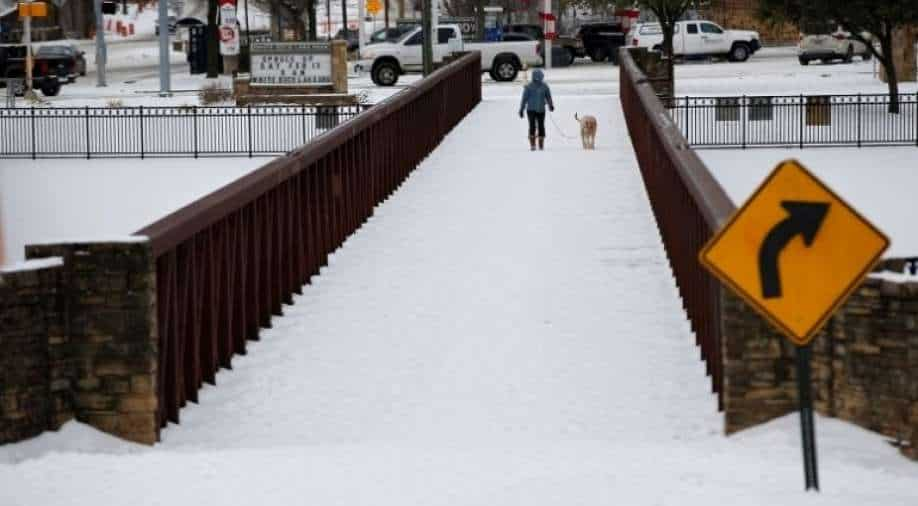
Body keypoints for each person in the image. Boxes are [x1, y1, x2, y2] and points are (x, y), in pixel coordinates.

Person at [518, 69, 555, 151]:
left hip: (541, 110)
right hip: (531, 110)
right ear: (534, 77)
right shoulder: (529, 87)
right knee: (532, 126)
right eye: (537, 78)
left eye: (540, 77)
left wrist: (550, 105)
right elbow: (524, 99)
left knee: (541, 126)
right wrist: (521, 109)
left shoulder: (545, 86)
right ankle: (532, 144)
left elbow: (548, 97)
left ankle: (541, 144)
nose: (539, 79)